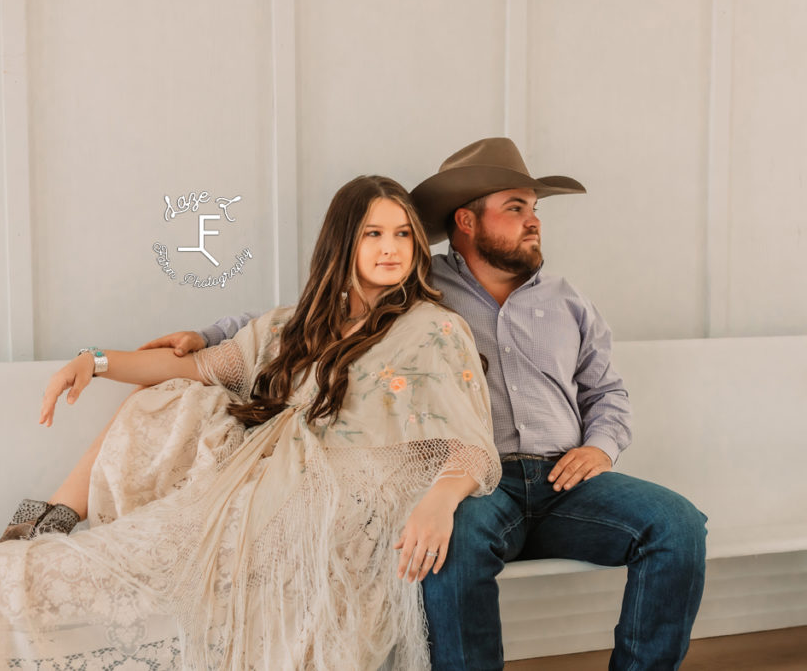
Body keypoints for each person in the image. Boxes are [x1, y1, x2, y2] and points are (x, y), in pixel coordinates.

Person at [0, 175, 501, 670]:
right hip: (262, 495)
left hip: (342, 518)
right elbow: (197, 369)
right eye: (373, 233)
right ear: (342, 244)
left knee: (140, 560)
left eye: (402, 234)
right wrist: (101, 358)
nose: (391, 247)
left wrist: (441, 499)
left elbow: (470, 441)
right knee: (156, 444)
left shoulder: (434, 328)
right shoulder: (295, 326)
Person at [145, 138, 709, 670]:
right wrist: (208, 334)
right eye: (515, 209)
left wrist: (601, 447)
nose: (533, 221)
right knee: (450, 551)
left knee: (677, 525)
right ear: (467, 221)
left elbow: (606, 390)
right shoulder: (418, 284)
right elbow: (310, 312)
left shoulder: (569, 301)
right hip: (474, 481)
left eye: (534, 209)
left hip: (567, 482)